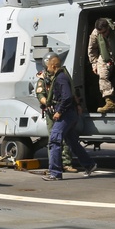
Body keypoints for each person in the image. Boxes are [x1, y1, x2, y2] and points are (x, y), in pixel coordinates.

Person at [42, 53, 97, 181]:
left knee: (54, 140)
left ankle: (55, 173)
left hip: (66, 114)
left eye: (48, 66)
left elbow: (67, 97)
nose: (47, 69)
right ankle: (89, 165)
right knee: (72, 142)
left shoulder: (60, 78)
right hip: (70, 114)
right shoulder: (62, 76)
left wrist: (59, 111)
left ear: (53, 65)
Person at [36, 53, 76, 172]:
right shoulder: (42, 79)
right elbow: (40, 94)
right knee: (53, 139)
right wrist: (47, 103)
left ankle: (67, 163)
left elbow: (70, 93)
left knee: (66, 138)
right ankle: (54, 164)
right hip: (50, 112)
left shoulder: (62, 76)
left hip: (62, 110)